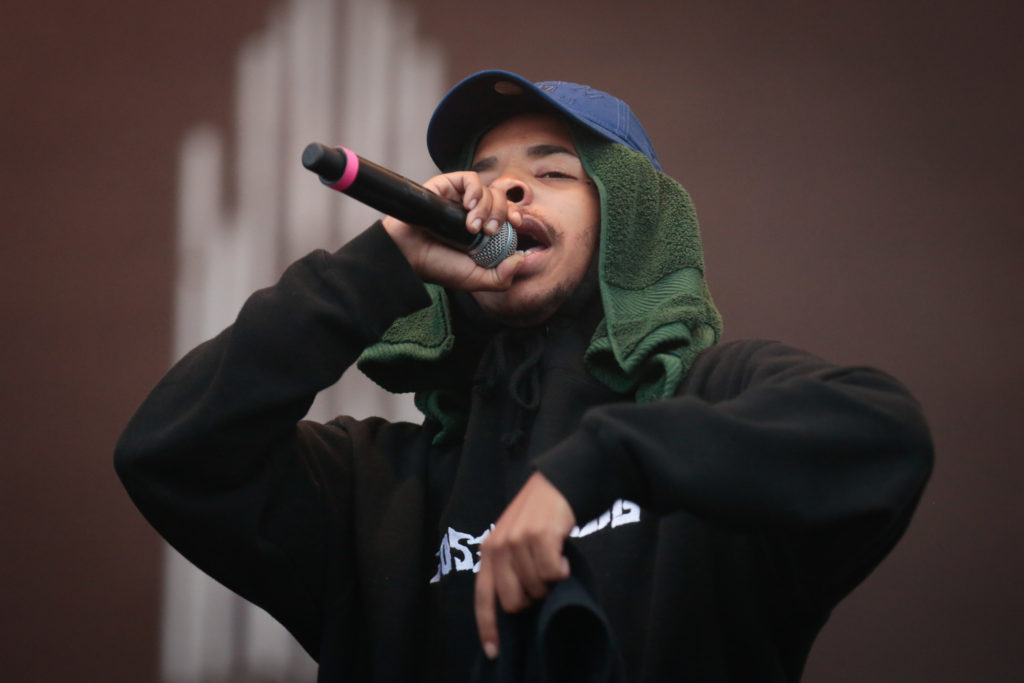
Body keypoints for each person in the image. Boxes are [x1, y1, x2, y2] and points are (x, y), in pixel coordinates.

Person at [115, 70, 933, 682]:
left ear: (632, 219)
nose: (506, 188)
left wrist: (602, 463)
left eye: (552, 171)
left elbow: (882, 432)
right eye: (491, 171)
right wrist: (380, 267)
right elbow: (171, 453)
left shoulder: (716, 398)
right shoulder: (383, 487)